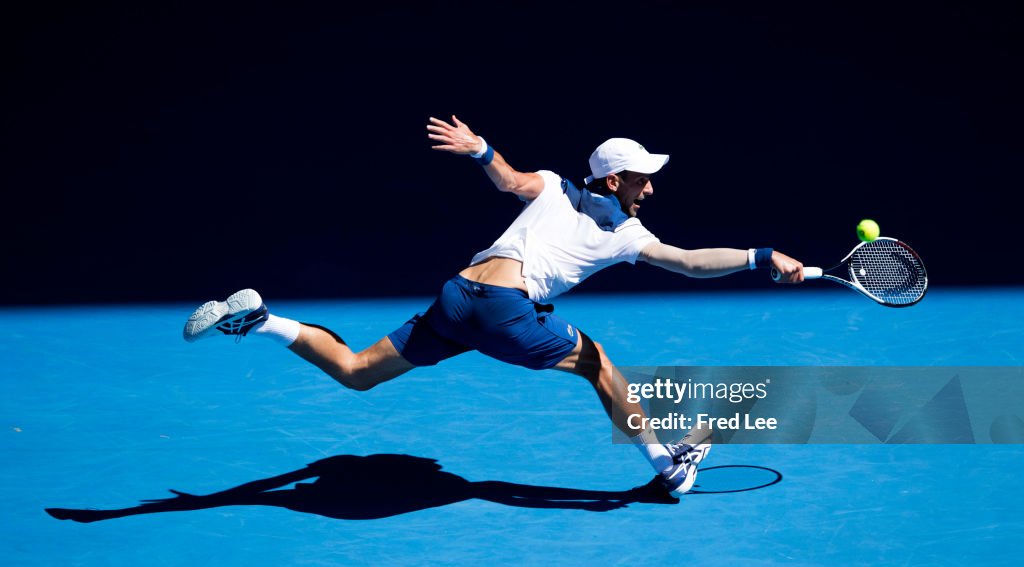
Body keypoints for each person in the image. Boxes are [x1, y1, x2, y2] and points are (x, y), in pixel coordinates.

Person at [182, 115, 805, 497]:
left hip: (458, 295)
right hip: (506, 308)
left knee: (356, 372)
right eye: (642, 176)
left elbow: (506, 179)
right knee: (600, 366)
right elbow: (690, 261)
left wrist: (482, 149)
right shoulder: (625, 233)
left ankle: (260, 320)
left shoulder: (557, 187)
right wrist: (762, 255)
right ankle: (668, 470)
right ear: (614, 180)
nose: (652, 186)